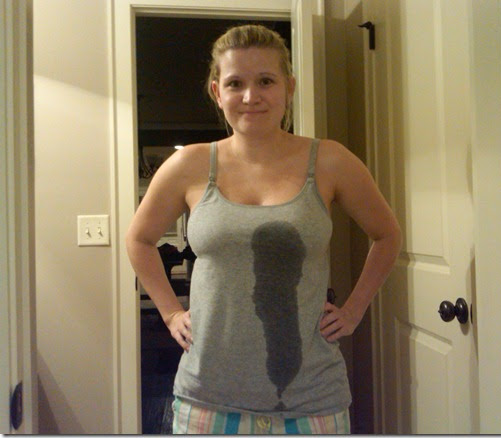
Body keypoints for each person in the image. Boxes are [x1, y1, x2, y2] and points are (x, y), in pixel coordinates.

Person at [126, 24, 401, 435]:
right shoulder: (190, 165)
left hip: (312, 400)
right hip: (207, 399)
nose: (250, 96)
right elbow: (139, 239)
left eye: (266, 81)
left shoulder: (329, 161)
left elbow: (387, 234)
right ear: (217, 92)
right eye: (235, 83)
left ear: (289, 87)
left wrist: (354, 310)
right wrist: (170, 313)